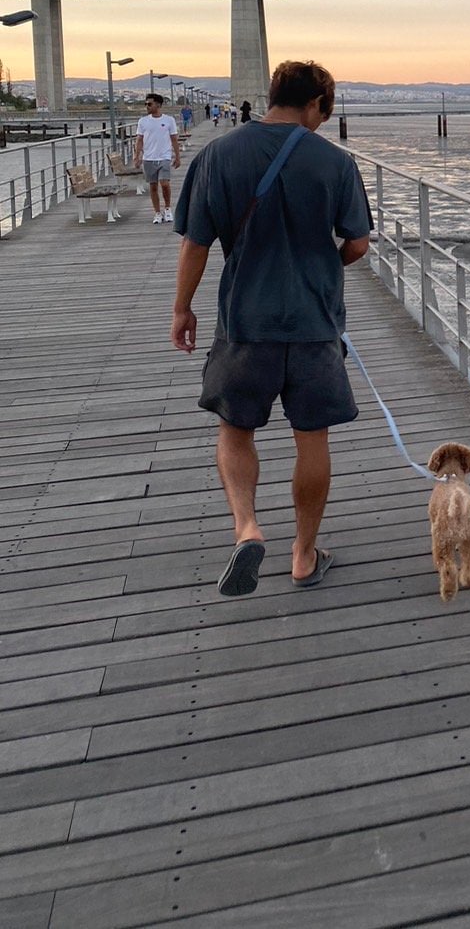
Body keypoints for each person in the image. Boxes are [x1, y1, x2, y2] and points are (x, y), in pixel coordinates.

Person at [171, 60, 373, 597]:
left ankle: (247, 527)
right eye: (324, 112)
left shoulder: (218, 155)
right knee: (313, 440)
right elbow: (357, 244)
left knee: (235, 430)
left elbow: (195, 242)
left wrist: (181, 309)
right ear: (315, 104)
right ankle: (304, 554)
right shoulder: (336, 163)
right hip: (314, 324)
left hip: (244, 323)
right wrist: (324, 263)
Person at [134, 92, 181, 224]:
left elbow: (174, 139)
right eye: (146, 104)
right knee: (153, 186)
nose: (147, 106)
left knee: (165, 184)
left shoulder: (168, 120)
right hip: (148, 158)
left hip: (164, 157)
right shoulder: (143, 121)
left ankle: (167, 208)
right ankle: (157, 212)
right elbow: (139, 140)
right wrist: (136, 156)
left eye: (149, 104)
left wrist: (177, 157)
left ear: (158, 105)